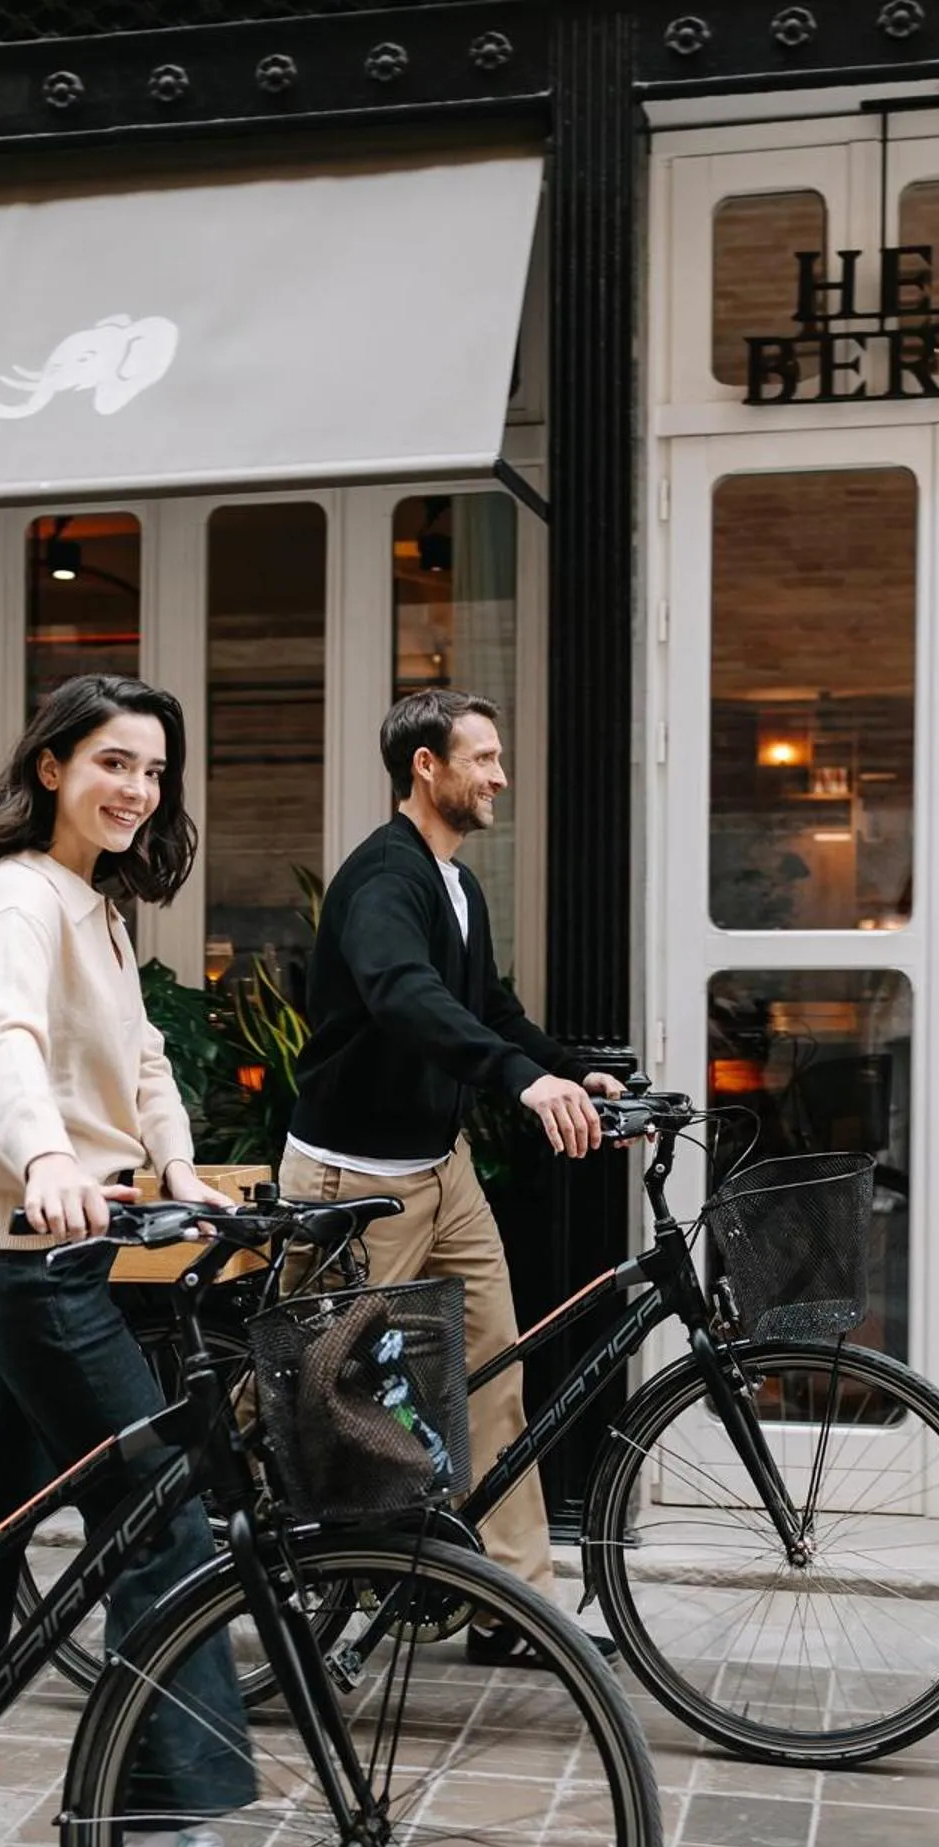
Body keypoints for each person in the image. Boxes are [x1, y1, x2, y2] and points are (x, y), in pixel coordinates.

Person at [0, 673, 300, 1847]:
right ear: (53, 764)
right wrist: (47, 1158)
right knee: (163, 1521)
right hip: (33, 1255)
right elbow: (2, 1042)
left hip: (68, 1258)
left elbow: (145, 1058)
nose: (136, 790)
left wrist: (177, 1169)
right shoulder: (19, 897)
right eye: (114, 761)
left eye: (155, 772)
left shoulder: (100, 912)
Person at [279, 687, 626, 1665]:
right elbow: (404, 995)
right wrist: (518, 1079)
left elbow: (492, 1006)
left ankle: (510, 1606)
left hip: (442, 1169)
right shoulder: (384, 879)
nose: (500, 776)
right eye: (482, 758)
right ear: (425, 766)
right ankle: (276, 1551)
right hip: (358, 1184)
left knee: (492, 1377)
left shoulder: (458, 883)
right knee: (340, 1399)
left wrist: (563, 1065)